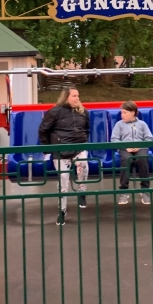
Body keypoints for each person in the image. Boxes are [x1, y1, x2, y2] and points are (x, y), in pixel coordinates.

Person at [38, 86, 90, 226]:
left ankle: (82, 191)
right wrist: (48, 148)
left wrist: (83, 140)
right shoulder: (55, 112)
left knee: (83, 165)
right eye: (74, 96)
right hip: (61, 150)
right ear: (66, 97)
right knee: (63, 181)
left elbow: (87, 129)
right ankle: (62, 210)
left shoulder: (83, 112)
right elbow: (43, 130)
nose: (77, 98)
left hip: (79, 147)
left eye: (78, 95)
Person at [111, 101, 153, 206]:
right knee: (126, 160)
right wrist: (126, 147)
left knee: (142, 158)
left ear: (133, 112)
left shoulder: (142, 124)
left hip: (140, 147)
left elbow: (149, 138)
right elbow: (114, 139)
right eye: (121, 113)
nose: (122, 115)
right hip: (125, 149)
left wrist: (139, 146)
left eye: (125, 113)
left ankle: (145, 189)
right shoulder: (119, 124)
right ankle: (124, 190)